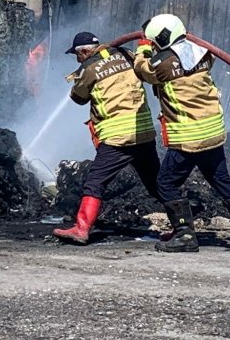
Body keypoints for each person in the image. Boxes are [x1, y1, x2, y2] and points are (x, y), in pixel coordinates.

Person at [134, 14, 230, 252]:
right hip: (212, 133)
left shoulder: (163, 64)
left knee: (166, 184)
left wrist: (143, 49)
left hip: (188, 137)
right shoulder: (204, 53)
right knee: (222, 180)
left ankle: (184, 236)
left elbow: (143, 71)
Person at [53, 31, 163, 244]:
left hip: (117, 139)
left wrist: (84, 74)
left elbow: (78, 98)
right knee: (155, 183)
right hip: (143, 134)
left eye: (78, 55)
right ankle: (183, 225)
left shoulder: (89, 68)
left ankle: (81, 229)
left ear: (85, 51)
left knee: (94, 183)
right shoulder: (127, 55)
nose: (77, 60)